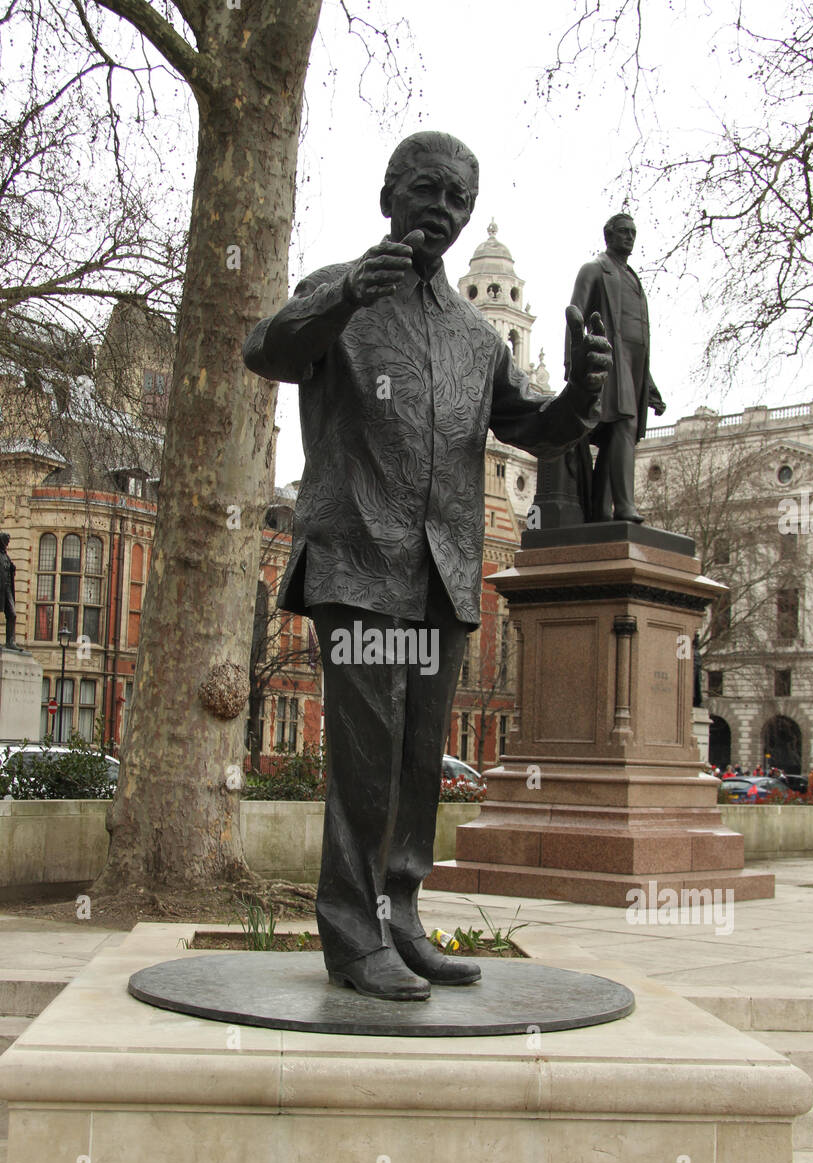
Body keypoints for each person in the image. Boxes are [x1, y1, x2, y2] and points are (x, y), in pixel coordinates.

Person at [244, 131, 611, 1001]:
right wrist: (339, 297)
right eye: (426, 191)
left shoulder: (479, 341)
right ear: (388, 198)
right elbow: (266, 349)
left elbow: (534, 428)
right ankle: (347, 930)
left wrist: (582, 397)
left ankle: (400, 912)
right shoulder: (337, 293)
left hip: (442, 576)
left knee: (419, 760)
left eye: (457, 198)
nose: (442, 210)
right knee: (365, 759)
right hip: (358, 563)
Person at [566, 213, 666, 522]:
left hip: (633, 368)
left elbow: (638, 342)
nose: (629, 237)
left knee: (620, 433)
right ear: (608, 235)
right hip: (607, 361)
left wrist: (647, 384)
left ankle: (600, 510)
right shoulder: (594, 270)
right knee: (622, 426)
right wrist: (574, 365)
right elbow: (574, 315)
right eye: (623, 232)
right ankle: (623, 506)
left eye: (633, 232)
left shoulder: (632, 278)